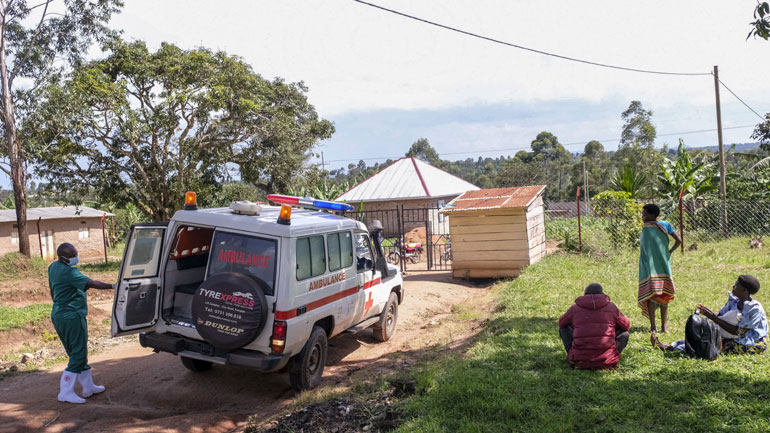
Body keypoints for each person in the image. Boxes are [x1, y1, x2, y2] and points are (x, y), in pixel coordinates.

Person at [49, 242, 115, 404]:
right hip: (72, 316)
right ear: (63, 257)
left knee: (77, 352)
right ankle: (65, 391)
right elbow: (91, 283)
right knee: (78, 354)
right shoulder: (69, 273)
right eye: (72, 256)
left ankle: (88, 387)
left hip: (59, 314)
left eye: (75, 254)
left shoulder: (53, 267)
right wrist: (114, 286)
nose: (76, 258)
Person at [652, 275, 768, 356]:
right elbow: (721, 314)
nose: (733, 286)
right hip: (733, 337)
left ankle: (670, 348)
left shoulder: (754, 309)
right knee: (707, 337)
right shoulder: (734, 301)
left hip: (751, 342)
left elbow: (739, 332)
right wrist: (706, 313)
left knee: (710, 345)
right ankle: (671, 346)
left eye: (736, 285)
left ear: (744, 290)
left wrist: (713, 317)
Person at [558, 283, 631, 370]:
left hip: (579, 361)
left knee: (564, 328)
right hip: (606, 362)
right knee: (624, 333)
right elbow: (626, 325)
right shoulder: (611, 307)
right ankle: (611, 356)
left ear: (585, 295)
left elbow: (561, 323)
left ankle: (573, 356)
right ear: (602, 294)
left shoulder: (575, 308)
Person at [638, 203, 681, 333]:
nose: (643, 217)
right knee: (662, 294)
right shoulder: (665, 225)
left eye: (644, 214)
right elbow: (678, 241)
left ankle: (655, 327)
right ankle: (662, 327)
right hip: (662, 264)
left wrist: (669, 252)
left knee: (656, 295)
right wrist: (669, 252)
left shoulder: (647, 228)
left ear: (652, 215)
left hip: (650, 267)